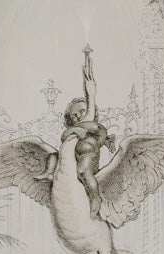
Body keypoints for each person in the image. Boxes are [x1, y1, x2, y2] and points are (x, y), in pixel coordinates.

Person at [35, 50, 115, 219]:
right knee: (53, 156)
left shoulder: (92, 126)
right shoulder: (73, 132)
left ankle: (95, 198)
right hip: (74, 156)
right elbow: (65, 136)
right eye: (74, 116)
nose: (79, 116)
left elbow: (98, 130)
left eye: (81, 112)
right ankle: (49, 172)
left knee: (83, 171)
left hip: (87, 158)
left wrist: (105, 139)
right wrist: (73, 130)